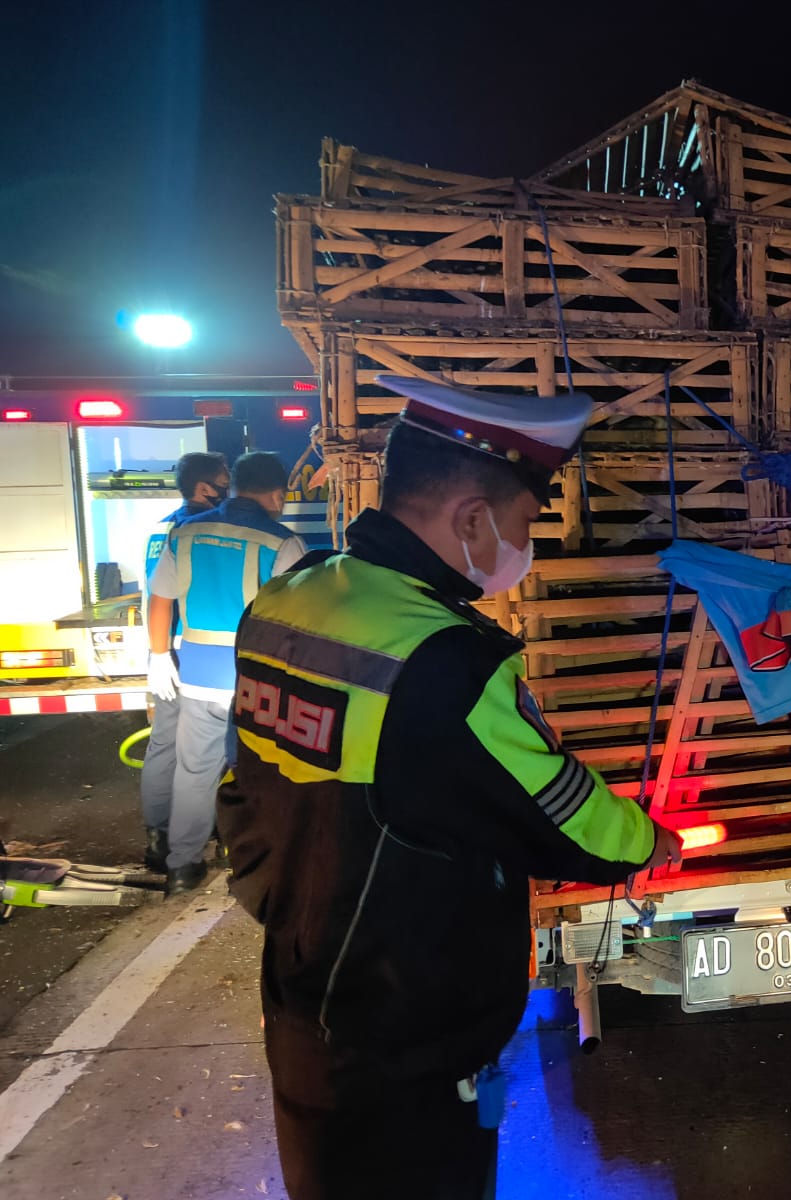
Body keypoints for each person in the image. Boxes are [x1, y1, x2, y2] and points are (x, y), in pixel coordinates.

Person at [216, 376, 683, 1200]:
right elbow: (561, 814)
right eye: (523, 522)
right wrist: (649, 841)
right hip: (404, 1029)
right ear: (472, 519)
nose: (522, 544)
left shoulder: (294, 598)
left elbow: (242, 780)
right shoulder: (442, 659)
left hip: (304, 987)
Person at [146, 451, 306, 894]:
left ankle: (182, 866)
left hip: (196, 673)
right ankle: (255, 857)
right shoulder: (282, 542)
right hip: (256, 678)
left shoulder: (187, 531)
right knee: (259, 769)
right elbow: (296, 617)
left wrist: (160, 655)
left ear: (233, 487)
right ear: (277, 494)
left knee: (194, 771)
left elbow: (160, 598)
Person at [140, 452, 231, 872]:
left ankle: (158, 837)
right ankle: (203, 836)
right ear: (204, 488)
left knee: (164, 744)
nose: (228, 486)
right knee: (202, 753)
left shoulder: (161, 526)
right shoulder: (197, 530)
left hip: (162, 648)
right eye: (223, 479)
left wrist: (156, 654)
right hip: (188, 649)